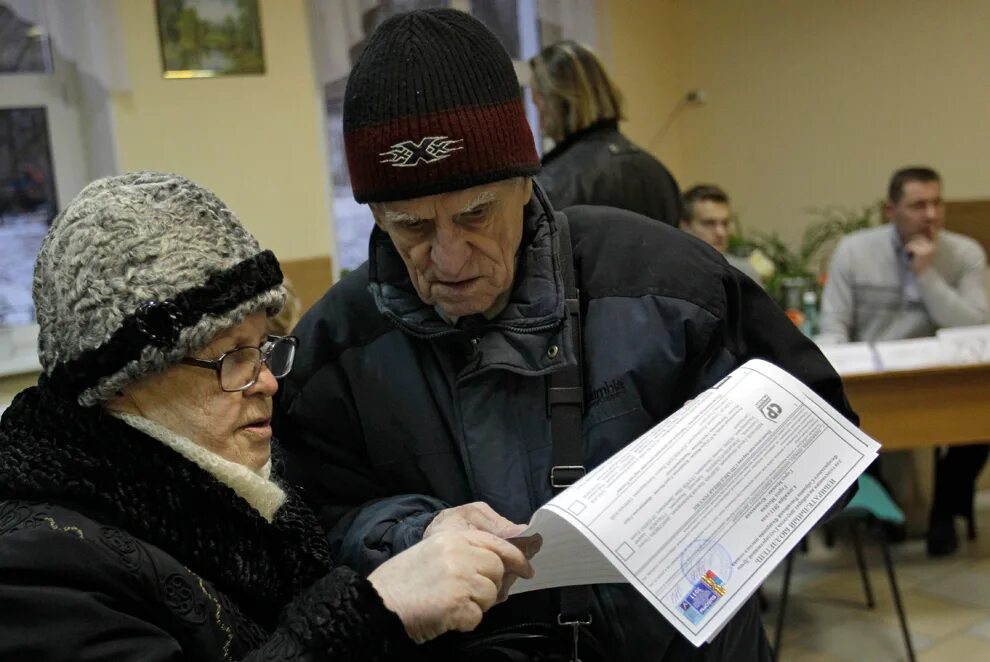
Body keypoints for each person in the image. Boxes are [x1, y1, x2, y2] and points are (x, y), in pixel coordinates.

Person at [275, 9, 855, 661]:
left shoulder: (668, 283)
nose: (450, 259)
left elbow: (825, 453)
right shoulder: (335, 347)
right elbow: (305, 529)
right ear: (375, 214)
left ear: (526, 182)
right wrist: (414, 534)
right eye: (411, 227)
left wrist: (695, 492)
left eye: (475, 215)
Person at [0, 171, 536, 660]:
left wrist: (424, 537)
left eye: (263, 346)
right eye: (232, 357)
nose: (269, 380)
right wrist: (376, 613)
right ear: (123, 382)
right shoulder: (38, 567)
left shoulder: (234, 487)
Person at [819, 166, 989, 556]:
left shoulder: (964, 253)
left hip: (943, 377)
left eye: (936, 203)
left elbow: (975, 326)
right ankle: (886, 511)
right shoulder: (855, 251)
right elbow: (834, 324)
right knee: (849, 422)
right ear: (890, 209)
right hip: (873, 378)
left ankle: (945, 511)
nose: (930, 215)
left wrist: (927, 276)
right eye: (917, 205)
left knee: (981, 425)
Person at [529, 40, 682, 225]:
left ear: (553, 101)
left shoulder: (553, 184)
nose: (537, 111)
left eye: (536, 99)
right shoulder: (658, 174)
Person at [679, 184, 763, 284]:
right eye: (709, 223)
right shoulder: (671, 270)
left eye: (725, 223)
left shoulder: (743, 274)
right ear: (684, 226)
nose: (721, 232)